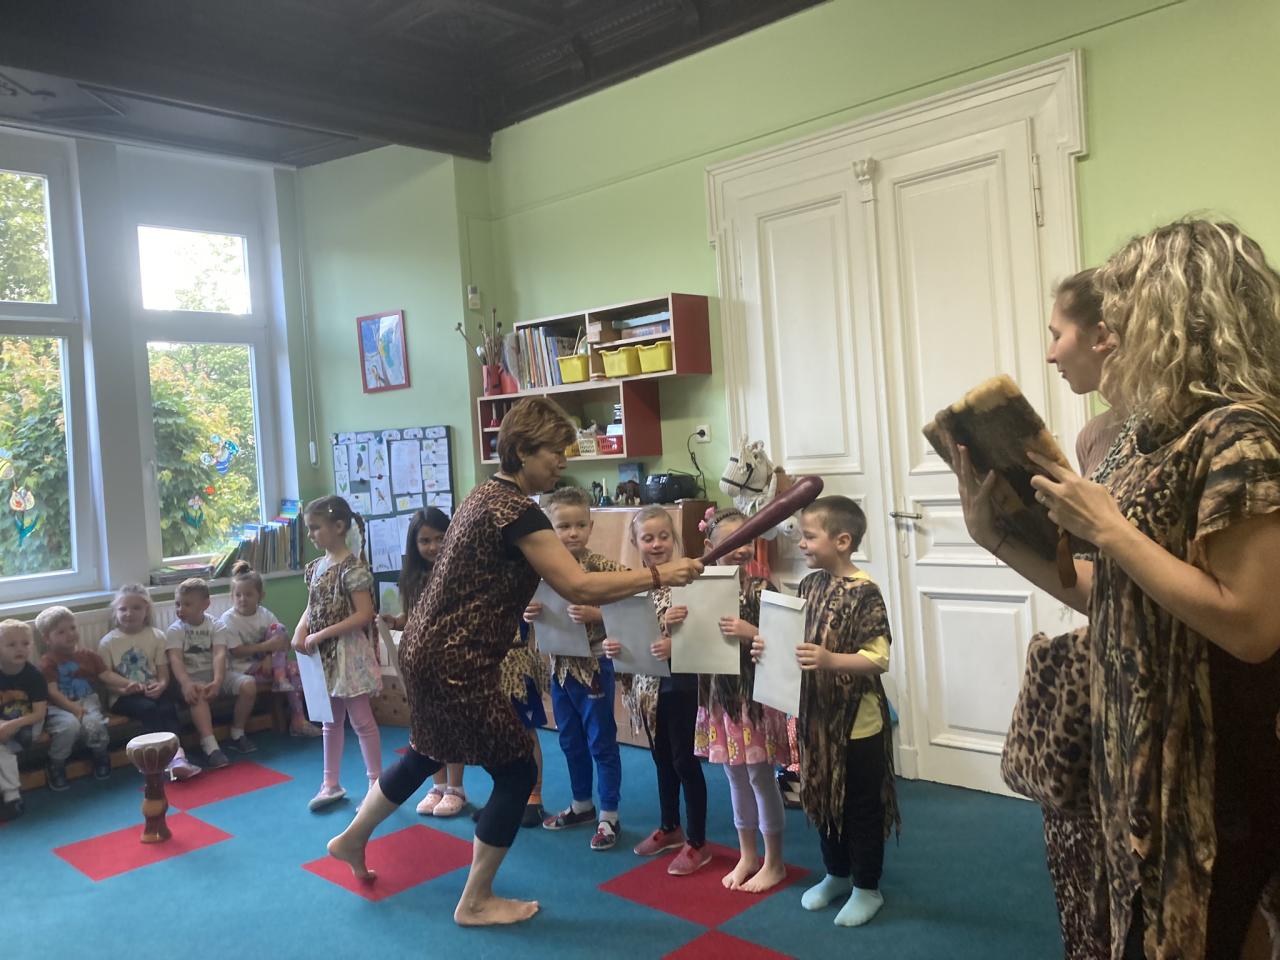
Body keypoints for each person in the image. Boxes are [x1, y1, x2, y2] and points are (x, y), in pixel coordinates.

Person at [953, 220, 1280, 958]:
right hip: (1135, 737)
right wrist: (995, 537)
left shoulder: (1241, 434)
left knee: (1207, 930)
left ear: (1180, 310)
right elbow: (1110, 595)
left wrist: (1110, 529)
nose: (1114, 323)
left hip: (1211, 754)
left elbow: (1252, 627)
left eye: (1129, 303)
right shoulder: (1139, 434)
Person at [325, 396, 701, 927]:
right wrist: (661, 574)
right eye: (555, 452)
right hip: (457, 659)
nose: (563, 461)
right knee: (517, 769)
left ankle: (352, 837)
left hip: (426, 649)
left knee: (427, 751)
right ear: (523, 451)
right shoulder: (516, 511)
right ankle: (476, 899)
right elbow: (577, 584)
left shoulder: (485, 494)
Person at [753, 496, 900, 928]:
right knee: (821, 795)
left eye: (809, 536)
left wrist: (831, 660)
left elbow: (878, 658)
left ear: (842, 541)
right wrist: (766, 646)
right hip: (815, 719)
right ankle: (836, 873)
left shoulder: (865, 592)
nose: (801, 543)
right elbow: (794, 643)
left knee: (860, 805)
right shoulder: (810, 585)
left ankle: (867, 886)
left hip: (858, 723)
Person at [1038, 267, 1124, 959]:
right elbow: (1103, 583)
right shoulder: (1095, 437)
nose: (1049, 353)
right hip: (1114, 665)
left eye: (1056, 334)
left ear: (1102, 335)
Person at [606, 506, 710, 876]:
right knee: (661, 758)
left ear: (675, 538)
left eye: (664, 536)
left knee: (684, 761)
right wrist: (614, 646)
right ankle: (670, 827)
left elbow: (709, 633)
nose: (657, 544)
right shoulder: (632, 584)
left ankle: (697, 842)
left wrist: (676, 645)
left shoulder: (690, 580)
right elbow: (625, 630)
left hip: (681, 683)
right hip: (647, 686)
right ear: (636, 542)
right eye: (648, 538)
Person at [694, 508, 791, 892]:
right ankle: (747, 855)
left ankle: (774, 861)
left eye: (747, 540)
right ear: (710, 546)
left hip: (754, 701)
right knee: (734, 776)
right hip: (720, 699)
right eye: (732, 541)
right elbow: (689, 640)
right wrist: (674, 624)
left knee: (760, 777)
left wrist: (751, 631)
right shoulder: (700, 589)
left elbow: (786, 642)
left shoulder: (763, 588)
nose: (741, 548)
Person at [525, 486, 625, 850]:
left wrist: (598, 614)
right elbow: (531, 607)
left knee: (601, 739)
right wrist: (529, 613)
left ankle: (609, 814)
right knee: (569, 739)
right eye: (564, 526)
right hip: (559, 666)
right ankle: (582, 804)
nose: (572, 533)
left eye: (580, 525)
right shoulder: (541, 570)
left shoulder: (604, 567)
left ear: (591, 526)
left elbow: (636, 605)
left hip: (594, 664)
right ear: (550, 530)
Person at [292, 496, 382, 811]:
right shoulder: (316, 568)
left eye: (316, 528)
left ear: (339, 526)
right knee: (330, 721)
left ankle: (376, 785)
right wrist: (300, 629)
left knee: (361, 720)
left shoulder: (352, 569)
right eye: (309, 529)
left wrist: (321, 634)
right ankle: (330, 783)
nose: (311, 535)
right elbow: (312, 605)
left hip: (347, 654)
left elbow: (364, 614)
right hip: (323, 656)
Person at [379, 508, 468, 817]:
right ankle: (438, 785)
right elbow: (411, 617)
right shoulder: (412, 578)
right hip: (421, 665)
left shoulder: (458, 572)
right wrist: (395, 621)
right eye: (425, 541)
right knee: (427, 725)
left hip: (451, 660)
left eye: (440, 538)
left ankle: (455, 787)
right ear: (414, 545)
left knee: (452, 724)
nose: (433, 546)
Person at [98, 583, 201, 780]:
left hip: (152, 690)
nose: (129, 613)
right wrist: (125, 687)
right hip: (122, 697)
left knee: (167, 707)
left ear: (146, 610)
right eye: (123, 609)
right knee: (148, 709)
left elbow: (163, 672)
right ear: (115, 612)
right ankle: (158, 759)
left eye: (136, 608)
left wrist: (161, 685)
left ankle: (178, 757)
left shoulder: (156, 636)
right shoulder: (108, 642)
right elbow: (105, 677)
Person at [35, 605, 136, 788]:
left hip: (87, 700)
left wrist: (128, 683)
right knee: (69, 726)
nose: (70, 634)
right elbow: (52, 692)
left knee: (94, 724)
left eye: (72, 628)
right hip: (59, 706)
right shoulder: (47, 661)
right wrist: (73, 708)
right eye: (61, 632)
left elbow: (106, 675)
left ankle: (100, 755)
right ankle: (56, 764)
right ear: (47, 639)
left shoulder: (88, 655)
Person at [218, 561, 319, 739]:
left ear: (260, 596)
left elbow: (283, 642)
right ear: (231, 596)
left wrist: (269, 658)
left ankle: (299, 719)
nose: (242, 599)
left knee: (291, 659)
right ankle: (280, 678)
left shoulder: (264, 614)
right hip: (243, 669)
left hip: (269, 665)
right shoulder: (228, 619)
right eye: (238, 595)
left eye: (248, 594)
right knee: (285, 662)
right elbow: (237, 651)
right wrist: (266, 648)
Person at [164, 578, 238, 768]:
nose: (180, 609)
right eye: (178, 604)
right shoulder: (175, 630)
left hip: (215, 675)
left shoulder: (216, 625)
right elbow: (175, 660)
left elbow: (219, 654)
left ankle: (238, 732)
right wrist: (186, 684)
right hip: (190, 679)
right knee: (198, 695)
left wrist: (218, 681)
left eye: (187, 604)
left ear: (205, 604)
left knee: (248, 685)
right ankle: (211, 747)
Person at [0, 620, 48, 821]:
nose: (19, 649)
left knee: (6, 748)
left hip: (28, 723)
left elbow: (39, 714)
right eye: (11, 645)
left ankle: (12, 798)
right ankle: (11, 796)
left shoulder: (34, 676)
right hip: (3, 724)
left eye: (25, 644)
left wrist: (12, 725)